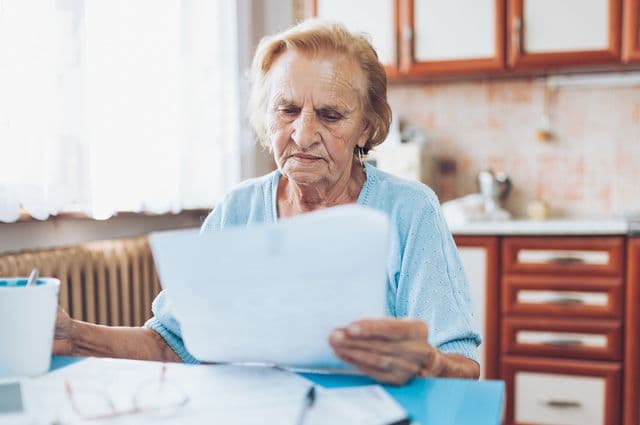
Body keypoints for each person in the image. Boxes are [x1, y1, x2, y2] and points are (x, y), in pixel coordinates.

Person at [54, 20, 481, 385]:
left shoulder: (409, 210)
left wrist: (427, 362)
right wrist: (74, 336)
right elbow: (171, 345)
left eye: (330, 115)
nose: (303, 134)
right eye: (287, 110)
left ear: (367, 129)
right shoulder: (237, 210)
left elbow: (463, 365)